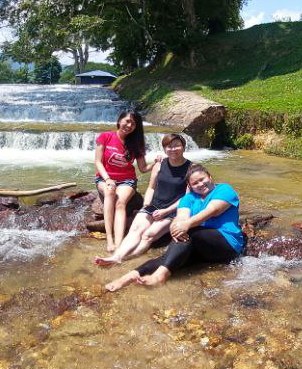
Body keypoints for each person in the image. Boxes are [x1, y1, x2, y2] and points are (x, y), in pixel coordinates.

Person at [104, 163, 244, 291]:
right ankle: (127, 278)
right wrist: (177, 227)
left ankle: (160, 276)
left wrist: (187, 224)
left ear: (210, 177)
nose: (200, 184)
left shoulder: (224, 189)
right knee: (165, 258)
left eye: (202, 179)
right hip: (201, 247)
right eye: (195, 183)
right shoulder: (188, 198)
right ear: (189, 186)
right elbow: (180, 218)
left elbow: (213, 210)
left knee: (191, 231)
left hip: (227, 244)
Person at [94, 132, 191, 268]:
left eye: (176, 146)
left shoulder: (191, 169)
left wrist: (165, 211)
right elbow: (151, 188)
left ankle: (125, 259)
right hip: (154, 206)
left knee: (148, 235)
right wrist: (146, 206)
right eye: (169, 147)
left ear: (184, 147)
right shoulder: (159, 165)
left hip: (172, 211)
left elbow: (188, 197)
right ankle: (117, 256)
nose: (173, 149)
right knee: (135, 230)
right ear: (164, 149)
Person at [94, 110, 148, 253]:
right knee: (110, 192)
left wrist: (157, 162)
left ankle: (119, 244)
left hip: (127, 180)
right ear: (119, 121)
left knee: (120, 203)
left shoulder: (137, 143)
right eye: (127, 121)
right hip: (104, 177)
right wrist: (108, 179)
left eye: (133, 123)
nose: (129, 125)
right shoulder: (105, 136)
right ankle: (110, 239)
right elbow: (98, 162)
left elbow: (143, 168)